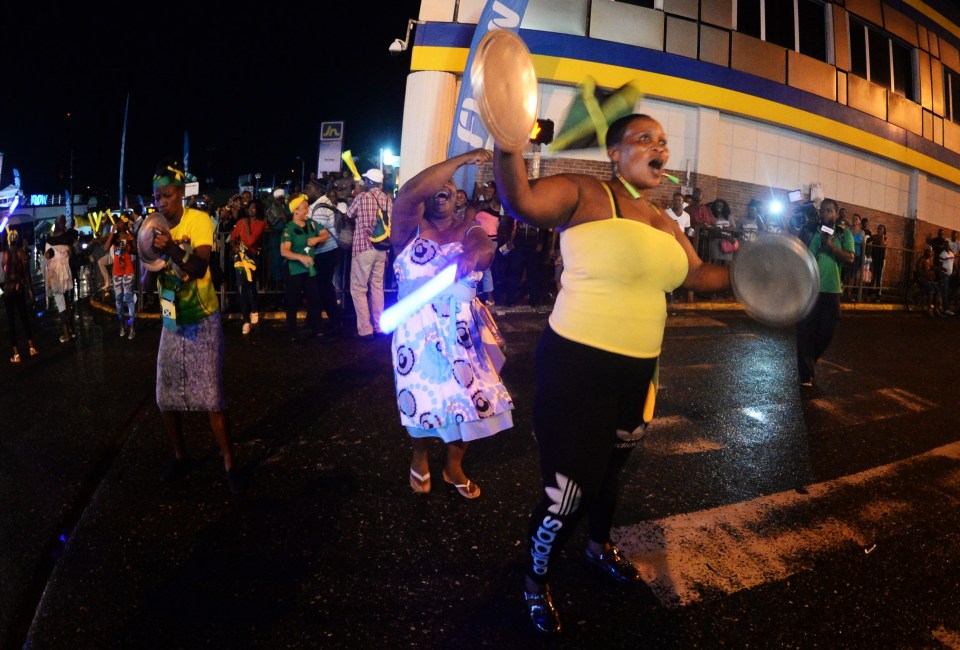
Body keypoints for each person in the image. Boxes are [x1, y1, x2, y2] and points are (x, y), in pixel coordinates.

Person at [494, 113, 730, 635]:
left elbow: (698, 274)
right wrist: (507, 142)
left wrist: (765, 271)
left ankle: (599, 549)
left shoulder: (665, 221)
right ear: (614, 154)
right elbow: (521, 201)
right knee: (569, 490)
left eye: (663, 142)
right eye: (643, 138)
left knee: (610, 474)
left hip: (638, 373)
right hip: (578, 366)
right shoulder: (585, 193)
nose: (657, 147)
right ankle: (534, 581)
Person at [390, 148, 513, 499]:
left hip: (462, 331)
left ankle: (453, 466)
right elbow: (410, 192)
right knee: (419, 398)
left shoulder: (469, 227)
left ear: (458, 196)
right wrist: (459, 161)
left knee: (466, 400)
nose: (441, 188)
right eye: (435, 183)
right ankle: (419, 453)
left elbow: (484, 249)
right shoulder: (407, 228)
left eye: (448, 184)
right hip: (416, 332)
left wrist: (475, 255)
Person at [144, 159, 246, 494]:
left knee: (211, 396)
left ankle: (230, 462)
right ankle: (180, 455)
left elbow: (201, 267)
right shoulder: (153, 227)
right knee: (165, 395)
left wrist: (171, 246)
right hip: (172, 321)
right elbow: (146, 286)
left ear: (180, 195)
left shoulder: (197, 220)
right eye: (157, 197)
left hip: (203, 317)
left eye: (167, 196)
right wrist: (147, 255)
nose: (161, 203)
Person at [797, 198, 855, 386]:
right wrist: (819, 243)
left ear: (836, 214)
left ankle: (811, 359)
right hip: (812, 289)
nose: (825, 213)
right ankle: (806, 374)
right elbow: (807, 258)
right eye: (823, 210)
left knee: (827, 331)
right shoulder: (815, 234)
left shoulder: (844, 234)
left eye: (829, 210)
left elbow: (850, 258)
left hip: (832, 289)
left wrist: (830, 245)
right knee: (806, 330)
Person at [345, 169, 392, 340]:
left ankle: (366, 329)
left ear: (369, 182)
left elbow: (349, 214)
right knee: (377, 287)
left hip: (363, 247)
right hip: (381, 249)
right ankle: (379, 326)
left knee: (358, 289)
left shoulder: (362, 197)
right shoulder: (387, 200)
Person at [280, 193, 330, 341]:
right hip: (294, 271)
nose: (307, 211)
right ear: (295, 210)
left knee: (316, 299)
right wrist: (301, 258)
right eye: (304, 208)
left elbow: (325, 234)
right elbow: (284, 251)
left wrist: (317, 239)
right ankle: (293, 334)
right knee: (292, 303)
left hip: (309, 270)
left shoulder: (311, 224)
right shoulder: (289, 229)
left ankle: (317, 329)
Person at [305, 180, 341, 335]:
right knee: (323, 286)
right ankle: (322, 318)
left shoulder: (320, 208)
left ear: (318, 190)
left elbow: (318, 235)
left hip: (325, 252)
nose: (306, 190)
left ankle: (333, 320)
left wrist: (306, 249)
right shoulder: (323, 204)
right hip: (327, 251)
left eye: (309, 187)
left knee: (323, 287)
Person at [229, 199, 267, 334]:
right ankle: (245, 320)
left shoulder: (261, 223)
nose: (251, 210)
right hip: (240, 257)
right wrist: (235, 247)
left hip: (252, 258)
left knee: (250, 285)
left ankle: (254, 310)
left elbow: (251, 241)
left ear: (258, 209)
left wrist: (246, 225)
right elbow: (232, 238)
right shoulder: (240, 222)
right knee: (241, 287)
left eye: (254, 208)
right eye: (249, 208)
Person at [3, 229, 38, 363]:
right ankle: (31, 347)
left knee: (11, 322)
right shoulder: (21, 253)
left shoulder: (6, 253)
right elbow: (25, 272)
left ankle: (16, 354)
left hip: (8, 290)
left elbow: (4, 268)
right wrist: (29, 289)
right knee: (24, 318)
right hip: (19, 289)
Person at [102, 215, 137, 339]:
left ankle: (132, 327)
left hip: (128, 270)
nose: (119, 224)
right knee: (118, 300)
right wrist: (112, 233)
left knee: (128, 298)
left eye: (121, 222)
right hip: (117, 271)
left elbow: (136, 251)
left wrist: (127, 248)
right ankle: (122, 325)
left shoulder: (129, 236)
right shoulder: (114, 237)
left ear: (125, 224)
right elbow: (106, 248)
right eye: (118, 222)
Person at [44, 215, 77, 343]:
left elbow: (47, 256)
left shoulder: (50, 240)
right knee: (67, 302)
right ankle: (72, 330)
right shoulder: (68, 238)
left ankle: (66, 334)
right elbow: (71, 253)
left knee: (60, 305)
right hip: (67, 274)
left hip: (56, 276)